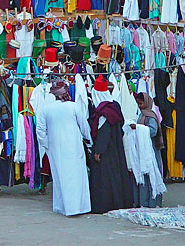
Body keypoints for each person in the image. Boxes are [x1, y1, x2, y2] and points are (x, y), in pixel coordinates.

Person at [36, 80, 93, 216]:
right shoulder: (74, 107)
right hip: (74, 147)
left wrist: (46, 145)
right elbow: (84, 127)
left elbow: (40, 131)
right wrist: (89, 141)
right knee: (76, 176)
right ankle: (78, 207)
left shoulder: (46, 109)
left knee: (60, 176)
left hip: (55, 148)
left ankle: (62, 207)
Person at [88, 76, 133, 213]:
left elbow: (104, 132)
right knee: (117, 174)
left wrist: (99, 150)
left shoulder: (103, 110)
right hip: (116, 145)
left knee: (105, 178)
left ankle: (104, 205)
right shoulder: (115, 106)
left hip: (105, 149)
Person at [133, 92, 164, 207]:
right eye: (138, 104)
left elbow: (153, 131)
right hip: (144, 149)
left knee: (152, 173)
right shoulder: (141, 114)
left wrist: (138, 128)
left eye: (141, 103)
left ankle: (152, 202)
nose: (139, 106)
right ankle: (144, 201)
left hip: (151, 149)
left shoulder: (150, 116)